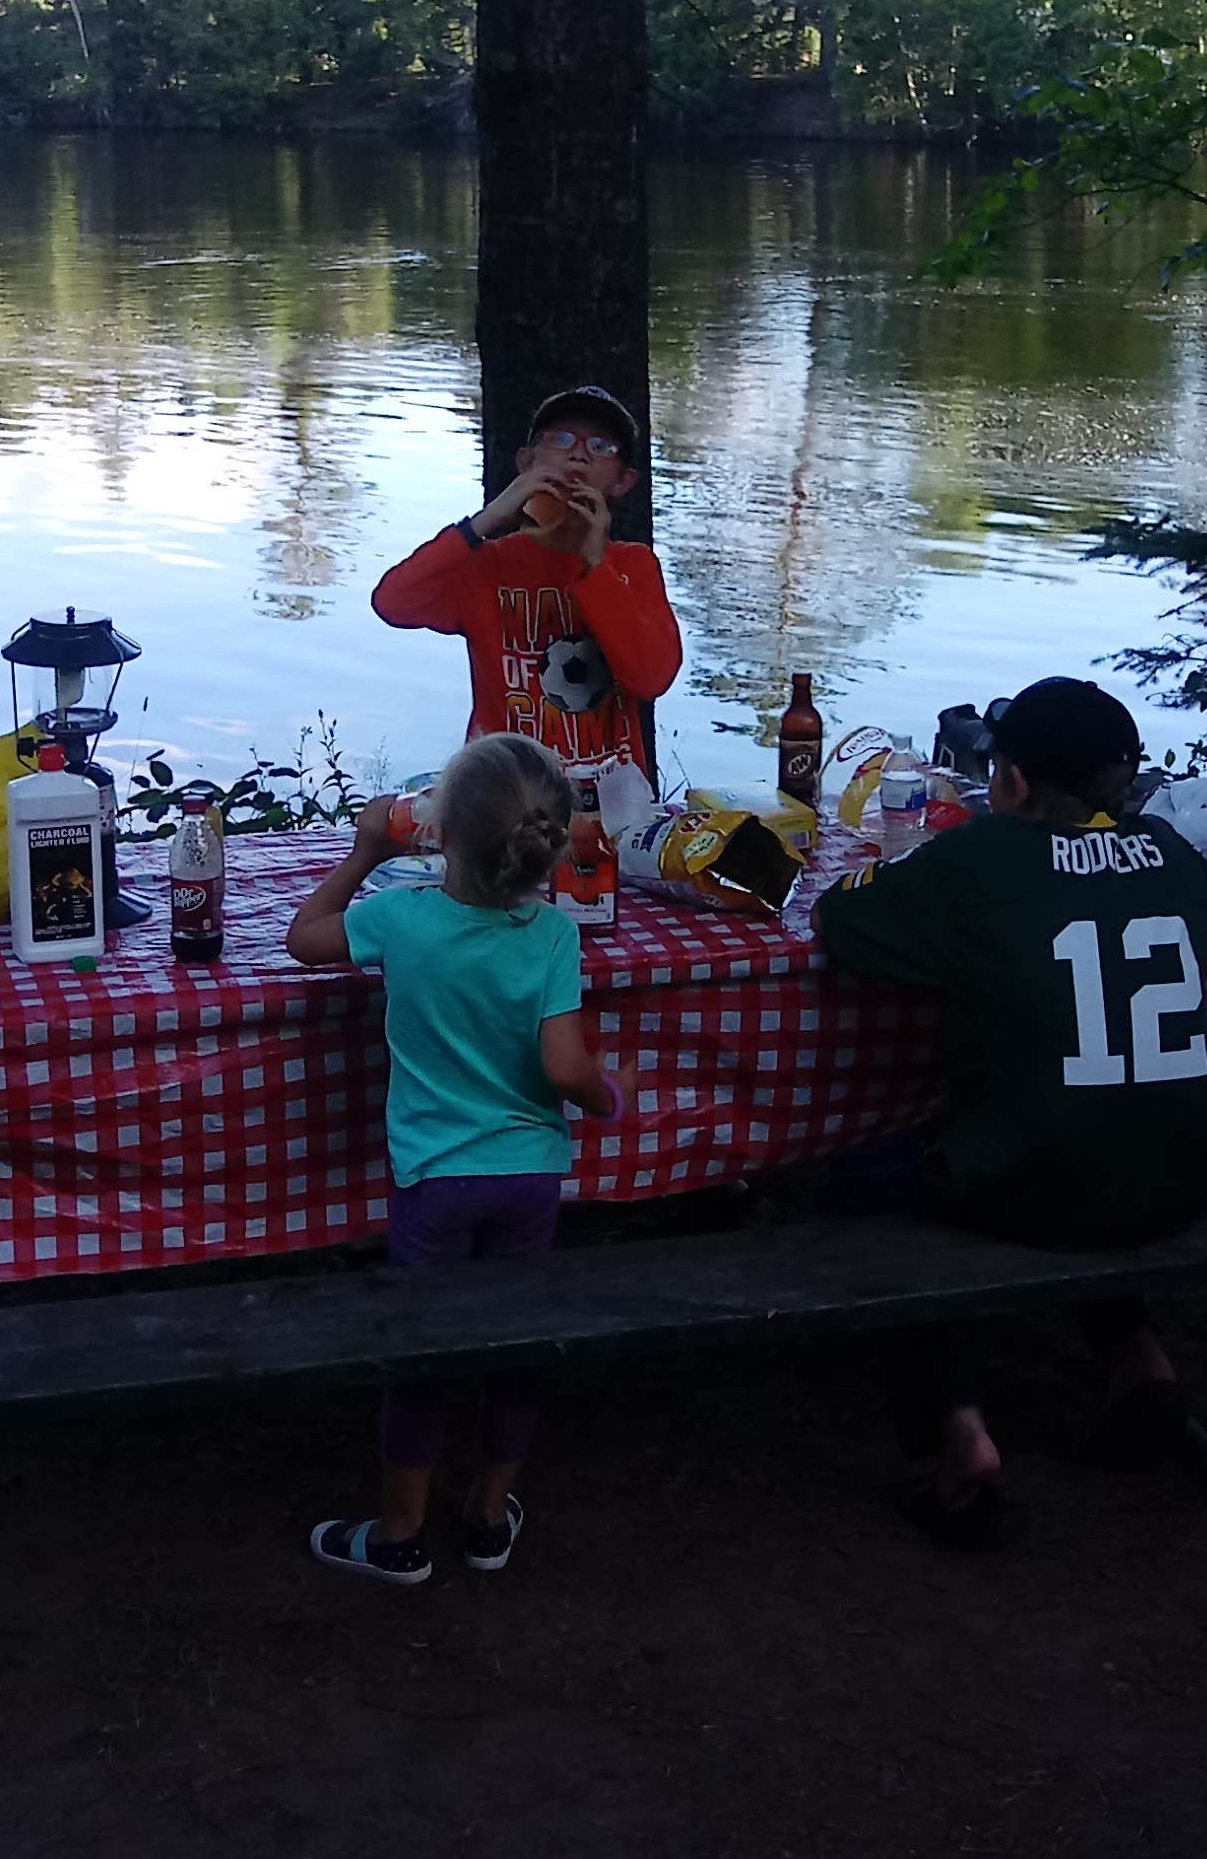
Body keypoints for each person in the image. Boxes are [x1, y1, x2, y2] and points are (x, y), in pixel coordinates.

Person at [809, 676, 1207, 1549]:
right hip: (1189, 1174)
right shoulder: (1174, 857)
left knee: (854, 1188)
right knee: (1104, 1128)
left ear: (1009, 782)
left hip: (1043, 1185)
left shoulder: (981, 859)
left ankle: (957, 1431)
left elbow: (841, 922)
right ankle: (1139, 1362)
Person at [285, 731, 624, 1586]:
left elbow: (304, 938)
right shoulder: (554, 935)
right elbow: (564, 1067)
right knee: (513, 1342)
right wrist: (605, 1099)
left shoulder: (401, 919)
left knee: (422, 1352)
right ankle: (486, 1518)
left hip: (435, 1182)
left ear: (436, 833)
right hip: (528, 1179)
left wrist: (365, 850)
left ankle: (400, 1534)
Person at [370, 385, 683, 776]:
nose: (579, 454)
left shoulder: (633, 565)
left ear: (623, 481)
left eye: (601, 447)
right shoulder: (488, 565)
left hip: (607, 794)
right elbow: (393, 602)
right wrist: (486, 519)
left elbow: (652, 677)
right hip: (503, 790)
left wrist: (596, 565)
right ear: (526, 462)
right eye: (561, 439)